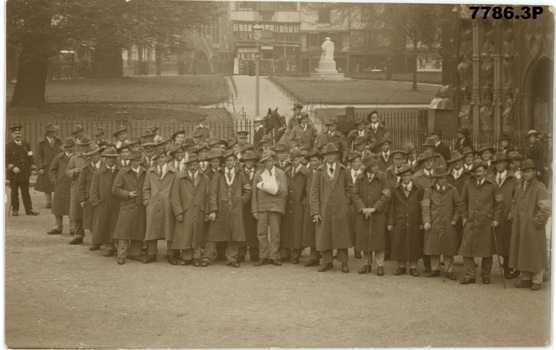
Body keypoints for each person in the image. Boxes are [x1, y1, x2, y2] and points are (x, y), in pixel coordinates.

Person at [509, 159, 552, 291]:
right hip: (521, 226)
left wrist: (536, 222)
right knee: (523, 251)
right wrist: (513, 214)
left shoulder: (540, 188)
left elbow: (546, 209)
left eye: (529, 171)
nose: (526, 174)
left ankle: (537, 280)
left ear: (534, 172)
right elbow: (515, 202)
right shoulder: (520, 187)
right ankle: (526, 278)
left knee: (535, 252)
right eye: (524, 172)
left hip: (533, 227)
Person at [311, 143, 354, 273]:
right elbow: (314, 193)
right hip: (324, 208)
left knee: (342, 235)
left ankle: (344, 262)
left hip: (341, 208)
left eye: (332, 154)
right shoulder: (319, 171)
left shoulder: (343, 170)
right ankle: (327, 262)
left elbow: (350, 188)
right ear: (324, 156)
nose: (330, 157)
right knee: (324, 235)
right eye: (327, 154)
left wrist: (345, 203)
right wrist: (316, 211)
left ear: (336, 155)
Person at [459, 160, 504, 285]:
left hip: (486, 222)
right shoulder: (468, 184)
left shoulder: (493, 184)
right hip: (471, 221)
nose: (478, 174)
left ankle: (486, 275)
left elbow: (500, 203)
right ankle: (470, 275)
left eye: (480, 171)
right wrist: (464, 217)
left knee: (487, 250)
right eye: (475, 172)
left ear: (485, 171)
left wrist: (495, 219)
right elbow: (462, 202)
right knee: (466, 249)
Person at [203, 150, 251, 267]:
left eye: (231, 160)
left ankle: (231, 258)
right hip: (220, 209)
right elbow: (213, 193)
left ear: (235, 161)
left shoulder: (240, 174)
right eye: (227, 161)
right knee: (213, 234)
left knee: (234, 234)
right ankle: (207, 257)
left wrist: (241, 201)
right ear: (224, 163)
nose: (229, 163)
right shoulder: (218, 174)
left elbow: (248, 190)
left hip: (235, 210)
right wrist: (213, 209)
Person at [352, 154, 391, 275]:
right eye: (373, 165)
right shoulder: (360, 178)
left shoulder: (383, 177)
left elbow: (386, 195)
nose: (376, 167)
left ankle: (380, 265)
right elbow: (354, 195)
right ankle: (367, 263)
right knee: (365, 239)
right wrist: (362, 208)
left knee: (379, 240)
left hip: (378, 214)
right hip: (364, 214)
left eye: (376, 164)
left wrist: (375, 208)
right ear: (367, 167)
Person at [422, 166, 461, 280]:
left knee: (448, 246)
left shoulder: (452, 190)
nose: (444, 180)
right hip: (433, 222)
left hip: (448, 222)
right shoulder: (429, 191)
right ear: (436, 179)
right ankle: (435, 269)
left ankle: (449, 270)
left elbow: (459, 206)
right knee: (434, 246)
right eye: (441, 178)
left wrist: (455, 219)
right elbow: (425, 207)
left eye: (445, 177)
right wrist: (426, 221)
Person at [170, 154, 209, 267]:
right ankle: (186, 257)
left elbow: (207, 196)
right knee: (185, 234)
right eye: (190, 164)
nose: (192, 167)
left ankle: (196, 257)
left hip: (199, 210)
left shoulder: (204, 178)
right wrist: (178, 212)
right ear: (186, 166)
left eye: (195, 164)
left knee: (197, 232)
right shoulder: (179, 178)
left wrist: (206, 211)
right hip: (185, 210)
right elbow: (175, 197)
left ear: (198, 164)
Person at [252, 150, 288, 266]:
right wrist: (254, 209)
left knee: (275, 232)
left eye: (270, 160)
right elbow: (254, 192)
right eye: (266, 161)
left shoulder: (280, 173)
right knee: (261, 233)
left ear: (274, 160)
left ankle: (274, 256)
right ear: (263, 162)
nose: (268, 163)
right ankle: (263, 256)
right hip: (262, 207)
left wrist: (273, 190)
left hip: (275, 207)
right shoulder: (258, 174)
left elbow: (284, 191)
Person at [387, 164, 424, 277]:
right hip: (400, 219)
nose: (406, 177)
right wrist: (390, 222)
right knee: (400, 241)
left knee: (414, 242)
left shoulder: (419, 189)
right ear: (401, 177)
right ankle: (401, 266)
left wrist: (422, 221)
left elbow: (422, 206)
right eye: (404, 175)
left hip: (414, 219)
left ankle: (413, 267)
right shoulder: (395, 189)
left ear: (412, 175)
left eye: (408, 175)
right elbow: (392, 206)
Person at [142, 149, 177, 264]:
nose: (160, 160)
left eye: (162, 157)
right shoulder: (150, 171)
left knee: (169, 228)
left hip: (168, 204)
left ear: (166, 158)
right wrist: (147, 200)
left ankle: (171, 253)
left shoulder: (173, 172)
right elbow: (146, 187)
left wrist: (172, 202)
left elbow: (177, 190)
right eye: (158, 158)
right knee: (152, 228)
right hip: (153, 204)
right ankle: (152, 253)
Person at [112, 150, 147, 265]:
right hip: (126, 206)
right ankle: (121, 255)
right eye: (133, 161)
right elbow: (115, 190)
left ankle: (135, 254)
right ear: (130, 161)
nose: (136, 163)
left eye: (138, 160)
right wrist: (127, 194)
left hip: (140, 207)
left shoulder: (145, 172)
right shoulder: (122, 173)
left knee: (138, 231)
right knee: (123, 232)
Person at [491, 152, 519, 279]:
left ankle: (507, 268)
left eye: (501, 162)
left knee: (507, 242)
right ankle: (487, 271)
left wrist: (512, 213)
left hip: (507, 215)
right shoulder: (490, 178)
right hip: (493, 214)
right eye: (496, 163)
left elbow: (517, 198)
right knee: (491, 242)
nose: (499, 165)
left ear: (506, 163)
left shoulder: (513, 180)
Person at [89, 147, 120, 257]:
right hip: (103, 203)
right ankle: (108, 246)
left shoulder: (120, 171)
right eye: (109, 158)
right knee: (104, 224)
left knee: (116, 224)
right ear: (104, 159)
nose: (111, 160)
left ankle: (117, 244)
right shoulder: (98, 173)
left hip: (117, 203)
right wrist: (95, 201)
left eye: (113, 158)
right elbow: (94, 188)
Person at [280, 150, 307, 264]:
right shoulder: (286, 172)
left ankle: (296, 253)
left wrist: (303, 203)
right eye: (292, 160)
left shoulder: (305, 172)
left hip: (298, 204)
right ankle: (285, 252)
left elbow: (308, 190)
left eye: (296, 160)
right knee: (286, 228)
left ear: (300, 159)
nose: (294, 163)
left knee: (297, 229)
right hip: (288, 204)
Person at [6, 126, 39, 217]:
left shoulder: (26, 144)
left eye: (19, 133)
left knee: (26, 192)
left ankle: (29, 210)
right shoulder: (8, 146)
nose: (18, 135)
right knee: (14, 192)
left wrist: (32, 168)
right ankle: (15, 210)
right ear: (12, 134)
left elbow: (30, 157)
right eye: (16, 134)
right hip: (14, 174)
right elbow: (5, 160)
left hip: (24, 173)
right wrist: (13, 168)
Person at [66, 135, 93, 243]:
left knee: (91, 211)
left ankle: (93, 237)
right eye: (83, 146)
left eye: (87, 146)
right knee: (76, 211)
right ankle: (78, 235)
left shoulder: (94, 157)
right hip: (77, 187)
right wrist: (73, 171)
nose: (85, 148)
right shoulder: (74, 158)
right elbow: (67, 171)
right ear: (80, 147)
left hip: (90, 187)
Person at [77, 144, 104, 249]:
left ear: (99, 155)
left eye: (96, 154)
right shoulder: (85, 168)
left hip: (103, 196)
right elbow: (81, 185)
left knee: (102, 218)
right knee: (91, 219)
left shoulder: (104, 165)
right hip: (90, 197)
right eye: (91, 155)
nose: (94, 157)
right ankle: (94, 241)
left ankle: (103, 240)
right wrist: (82, 199)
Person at [47, 137, 75, 235]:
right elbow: (52, 170)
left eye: (71, 146)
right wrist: (55, 180)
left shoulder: (77, 157)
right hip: (60, 185)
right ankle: (58, 227)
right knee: (57, 207)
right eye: (67, 147)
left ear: (74, 146)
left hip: (72, 186)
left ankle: (73, 228)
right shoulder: (59, 157)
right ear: (64, 147)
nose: (69, 148)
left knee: (72, 207)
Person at [237, 150, 260, 263]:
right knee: (243, 228)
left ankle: (254, 252)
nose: (249, 163)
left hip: (256, 203)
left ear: (254, 161)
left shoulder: (259, 171)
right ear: (244, 161)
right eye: (247, 160)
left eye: (251, 160)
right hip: (243, 204)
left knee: (255, 228)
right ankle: (241, 252)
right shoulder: (239, 172)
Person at [302, 149, 322, 267]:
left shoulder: (323, 171)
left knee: (322, 231)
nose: (314, 163)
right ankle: (314, 257)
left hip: (321, 204)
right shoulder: (309, 172)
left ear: (320, 160)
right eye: (312, 161)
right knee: (311, 232)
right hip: (310, 204)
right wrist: (305, 201)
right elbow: (305, 188)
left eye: (316, 160)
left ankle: (324, 256)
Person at [35, 123, 62, 209]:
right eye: (52, 131)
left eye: (54, 131)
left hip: (57, 165)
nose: (54, 132)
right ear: (47, 132)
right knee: (47, 185)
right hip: (46, 166)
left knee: (57, 183)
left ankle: (57, 201)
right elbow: (38, 155)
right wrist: (40, 167)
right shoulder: (41, 142)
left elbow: (62, 152)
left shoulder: (58, 140)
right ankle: (48, 202)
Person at [347, 151, 363, 259]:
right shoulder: (347, 173)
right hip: (348, 203)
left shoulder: (363, 174)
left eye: (357, 161)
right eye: (353, 162)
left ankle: (358, 249)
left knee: (359, 227)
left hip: (359, 203)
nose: (355, 164)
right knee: (348, 226)